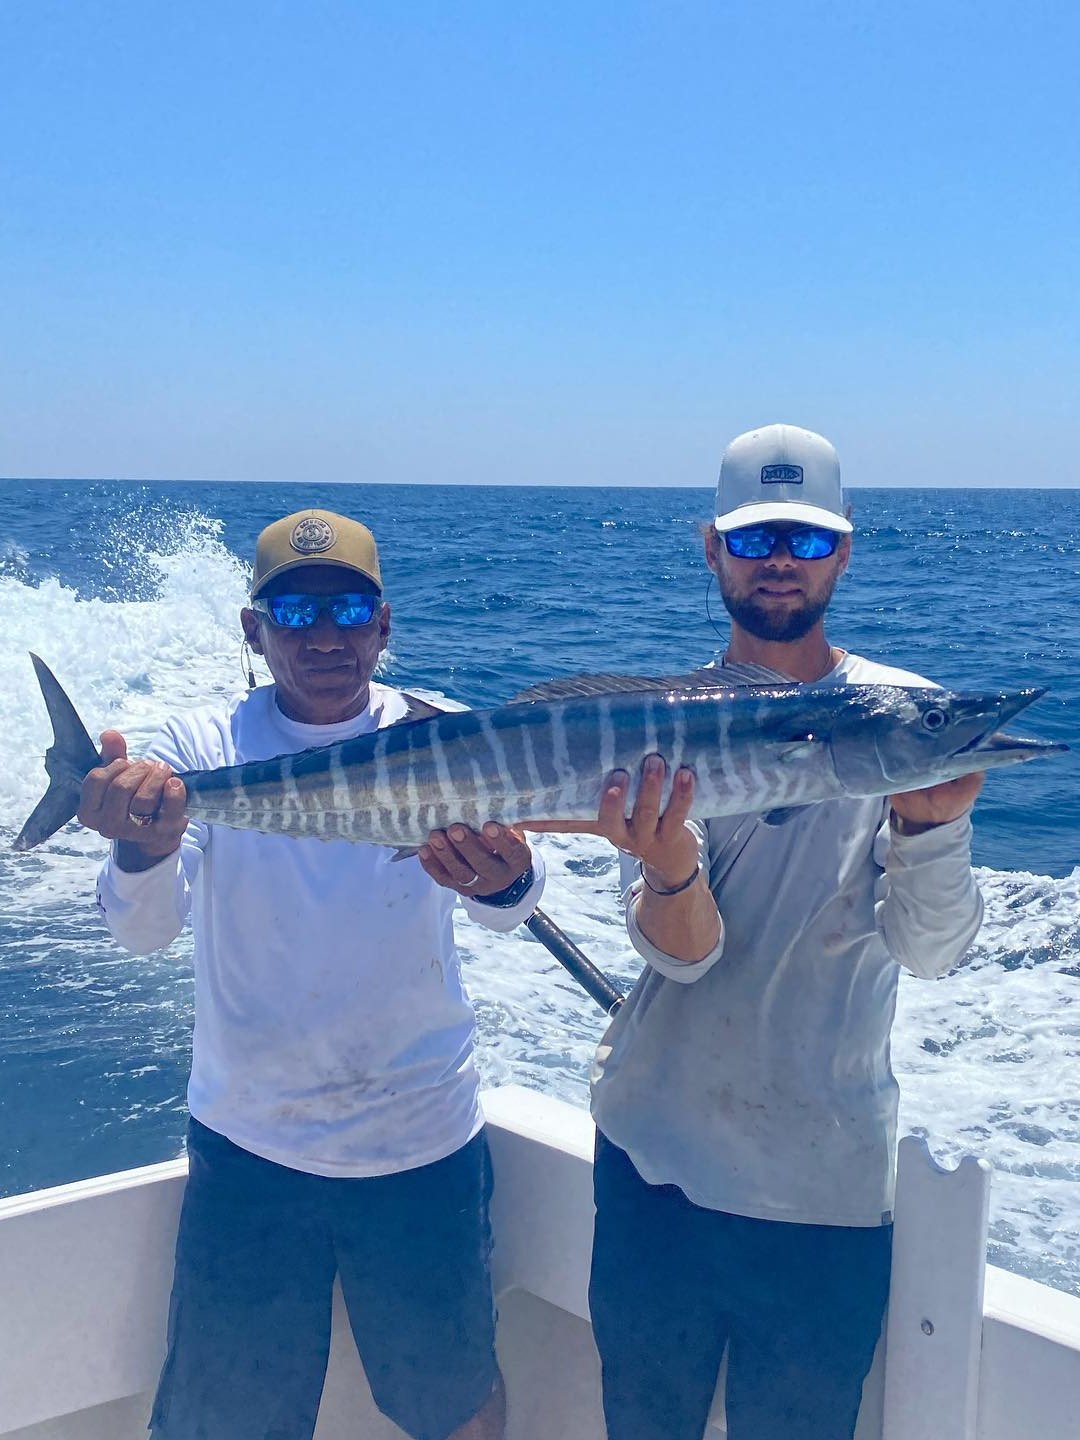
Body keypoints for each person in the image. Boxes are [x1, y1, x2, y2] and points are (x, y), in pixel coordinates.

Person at [78, 508, 543, 1440]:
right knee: (225, 1420)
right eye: (294, 612)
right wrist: (141, 850)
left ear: (384, 625)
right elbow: (144, 933)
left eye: (347, 611)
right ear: (254, 630)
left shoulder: (448, 734)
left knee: (453, 1402)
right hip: (250, 1144)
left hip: (421, 1141)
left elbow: (516, 898)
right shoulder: (198, 750)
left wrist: (507, 876)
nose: (324, 636)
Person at [583, 426, 984, 1439]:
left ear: (843, 553)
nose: (778, 562)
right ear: (712, 546)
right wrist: (671, 862)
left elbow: (933, 952)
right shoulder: (659, 724)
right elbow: (685, 954)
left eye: (805, 541)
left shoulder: (907, 718)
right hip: (651, 1173)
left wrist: (931, 830)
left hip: (824, 1193)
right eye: (757, 537)